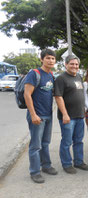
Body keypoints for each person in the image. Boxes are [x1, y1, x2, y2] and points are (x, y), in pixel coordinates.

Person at [24, 49, 57, 183]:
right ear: (42, 59)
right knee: (35, 145)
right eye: (48, 58)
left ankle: (46, 166)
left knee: (45, 143)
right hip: (37, 116)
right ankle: (35, 171)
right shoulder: (34, 73)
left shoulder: (51, 75)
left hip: (48, 114)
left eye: (53, 59)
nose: (50, 61)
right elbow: (27, 94)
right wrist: (33, 114)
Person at [54, 55, 88, 174]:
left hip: (79, 115)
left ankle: (79, 161)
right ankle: (67, 164)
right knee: (67, 141)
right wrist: (64, 114)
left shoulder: (79, 77)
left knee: (79, 141)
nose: (74, 66)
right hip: (68, 117)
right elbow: (58, 97)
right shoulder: (61, 78)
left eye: (76, 64)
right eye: (72, 64)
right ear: (66, 64)